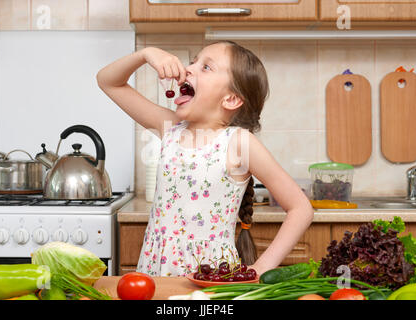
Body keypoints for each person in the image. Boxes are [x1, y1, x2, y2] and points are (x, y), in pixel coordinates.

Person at [97, 40, 314, 277]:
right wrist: (146, 54)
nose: (188, 69)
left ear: (230, 99)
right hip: (156, 272)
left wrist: (260, 269)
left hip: (212, 279)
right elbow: (108, 82)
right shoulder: (170, 128)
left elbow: (300, 208)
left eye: (206, 67)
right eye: (193, 62)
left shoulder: (239, 143)